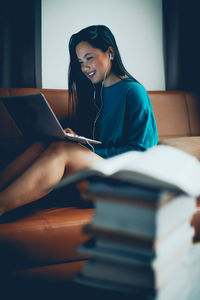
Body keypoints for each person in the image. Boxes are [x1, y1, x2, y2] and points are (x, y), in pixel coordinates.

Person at [0, 25, 158, 216]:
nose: (84, 67)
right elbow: (101, 140)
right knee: (47, 142)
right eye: (80, 61)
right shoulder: (95, 92)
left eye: (89, 58)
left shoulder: (134, 92)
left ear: (110, 53)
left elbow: (142, 152)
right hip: (100, 169)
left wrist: (88, 149)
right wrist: (78, 139)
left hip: (128, 177)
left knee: (62, 150)